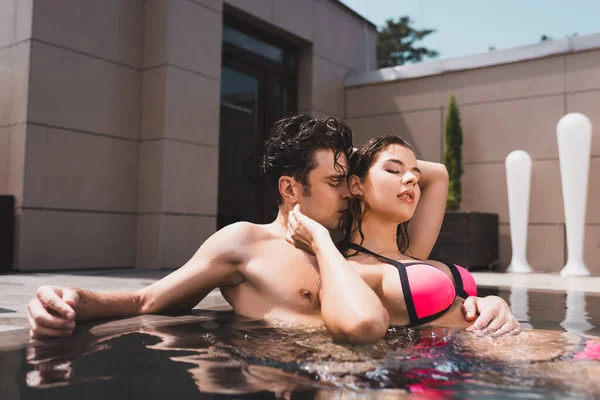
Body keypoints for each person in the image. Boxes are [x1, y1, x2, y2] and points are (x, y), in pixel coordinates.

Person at [27, 115, 517, 344]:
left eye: (351, 181)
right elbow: (147, 302)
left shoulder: (356, 240)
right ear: (290, 188)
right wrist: (71, 298)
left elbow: (428, 183)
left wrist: (484, 303)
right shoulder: (245, 243)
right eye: (334, 181)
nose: (348, 192)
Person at [286, 135, 520, 335]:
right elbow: (360, 326)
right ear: (356, 185)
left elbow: (439, 174)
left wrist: (493, 302)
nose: (412, 179)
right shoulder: (350, 271)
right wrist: (320, 239)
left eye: (415, 175)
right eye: (393, 170)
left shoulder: (410, 254)